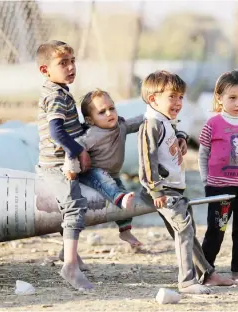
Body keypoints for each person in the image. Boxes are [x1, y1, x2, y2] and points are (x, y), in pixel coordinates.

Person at [137, 70, 212, 294]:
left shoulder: (165, 120)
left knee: (187, 229)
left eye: (180, 97)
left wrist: (181, 137)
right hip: (163, 190)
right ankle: (187, 281)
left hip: (175, 188)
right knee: (184, 230)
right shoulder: (151, 123)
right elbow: (147, 161)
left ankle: (207, 272)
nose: (178, 102)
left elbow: (170, 135)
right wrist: (155, 190)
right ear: (154, 99)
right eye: (173, 97)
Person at [35, 40, 93, 290]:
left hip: (59, 161)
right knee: (74, 205)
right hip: (57, 165)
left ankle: (69, 253)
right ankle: (69, 266)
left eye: (72, 61)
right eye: (63, 63)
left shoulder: (59, 90)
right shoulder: (56, 96)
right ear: (45, 70)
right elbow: (57, 133)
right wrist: (79, 150)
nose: (71, 67)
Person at [198, 69, 238, 283]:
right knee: (217, 229)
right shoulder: (213, 124)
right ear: (219, 97)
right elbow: (203, 153)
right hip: (219, 188)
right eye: (232, 98)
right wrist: (206, 180)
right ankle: (206, 271)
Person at [62, 89, 143, 247]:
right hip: (91, 173)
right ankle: (119, 197)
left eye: (111, 108)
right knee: (112, 187)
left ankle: (125, 231)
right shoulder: (93, 134)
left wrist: (154, 117)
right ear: (90, 120)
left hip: (113, 174)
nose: (109, 113)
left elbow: (138, 121)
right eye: (102, 112)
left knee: (124, 200)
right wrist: (70, 168)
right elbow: (73, 147)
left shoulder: (121, 126)